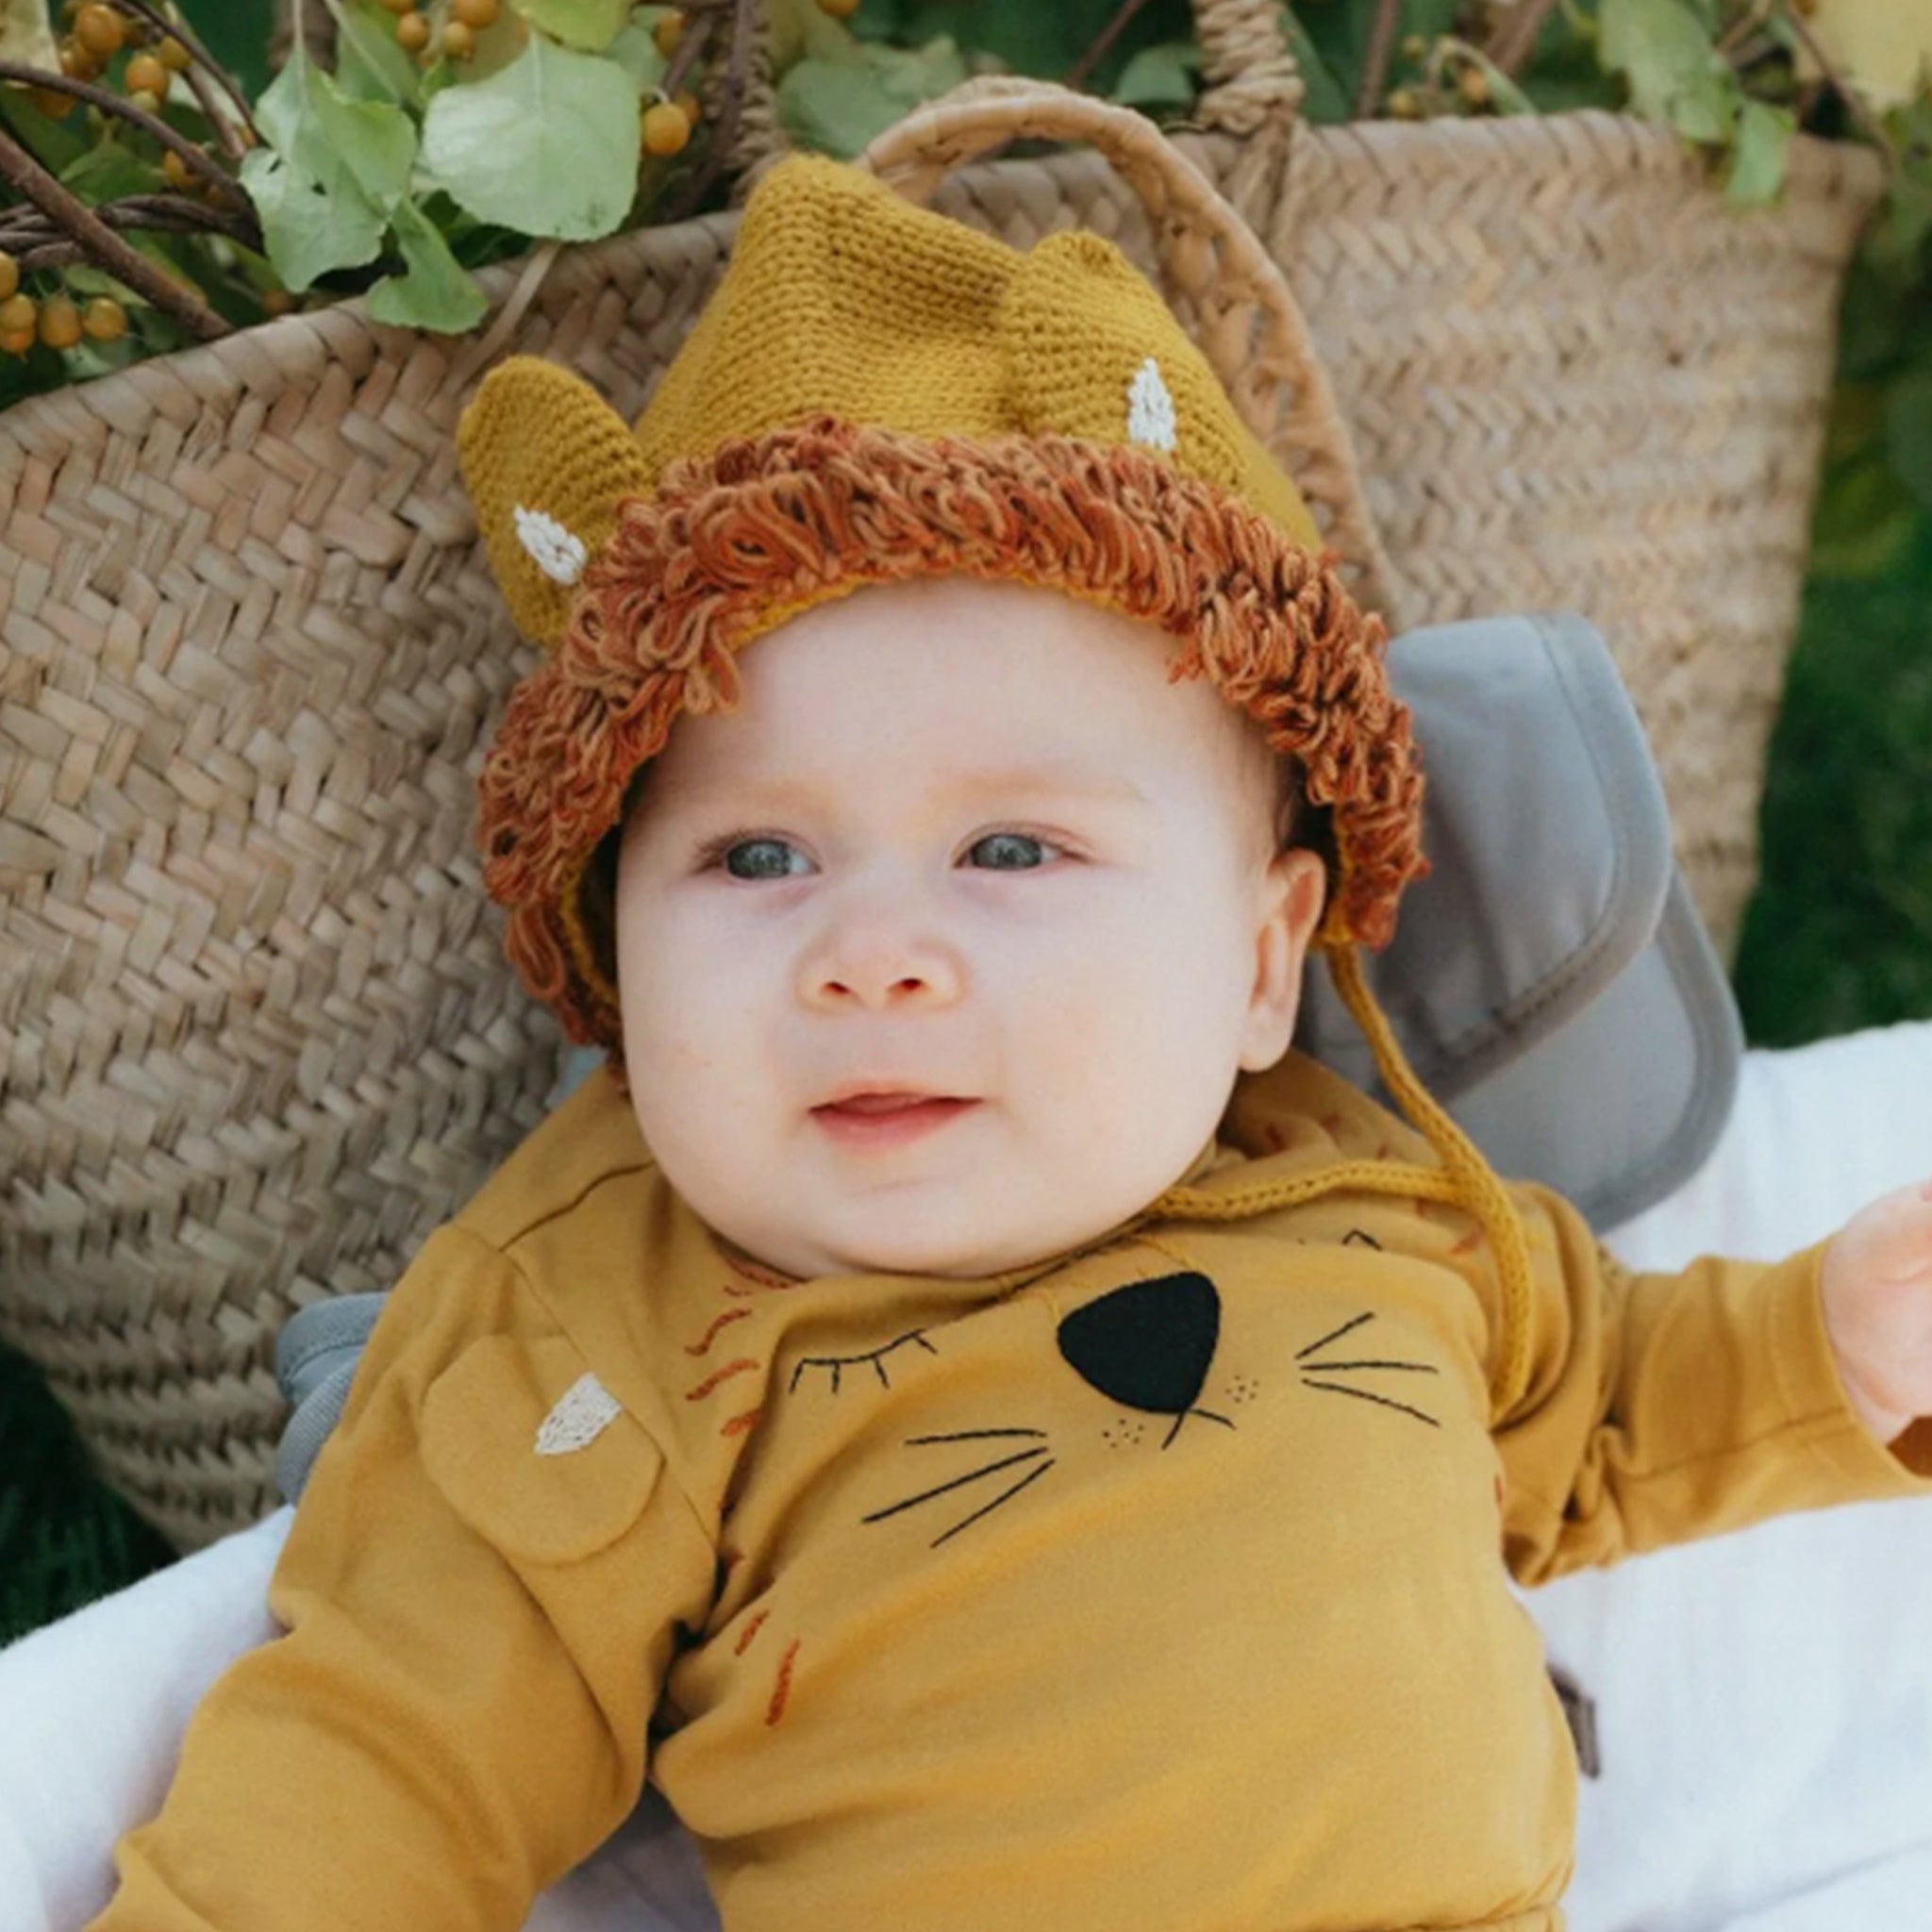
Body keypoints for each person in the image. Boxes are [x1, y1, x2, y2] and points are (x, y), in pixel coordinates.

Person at [89, 152, 1932, 1932]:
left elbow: (1595, 1404)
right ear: (603, 931)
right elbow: (387, 1744)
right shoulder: (601, 1323)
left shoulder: (1365, 1194)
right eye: (753, 855)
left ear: (1259, 962)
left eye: (1009, 849)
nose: (869, 955)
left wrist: (1826, 1340)